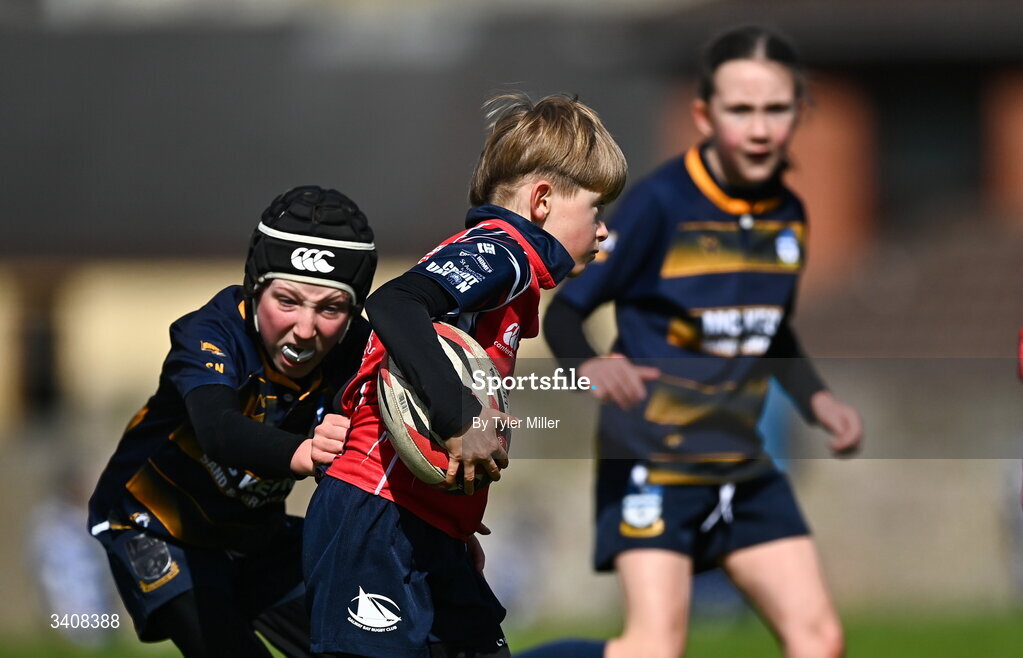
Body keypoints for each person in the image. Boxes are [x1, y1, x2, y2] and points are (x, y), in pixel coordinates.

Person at [535, 26, 863, 658]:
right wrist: (592, 364)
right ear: (704, 115)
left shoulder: (788, 213)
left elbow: (768, 331)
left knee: (820, 639)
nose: (761, 128)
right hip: (654, 459)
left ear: (798, 114)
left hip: (742, 465)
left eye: (776, 109)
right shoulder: (659, 205)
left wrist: (817, 401)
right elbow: (568, 313)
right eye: (742, 110)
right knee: (652, 649)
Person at [302, 92, 627, 657]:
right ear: (543, 200)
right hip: (377, 518)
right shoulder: (503, 251)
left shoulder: (510, 274)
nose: (602, 232)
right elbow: (395, 307)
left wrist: (453, 521)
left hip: (427, 526)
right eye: (597, 211)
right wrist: (458, 416)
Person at [87, 185, 376, 657]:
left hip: (254, 535)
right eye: (287, 301)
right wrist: (305, 453)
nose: (305, 329)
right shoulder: (209, 333)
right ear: (254, 286)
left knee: (370, 646)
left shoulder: (359, 349)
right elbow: (218, 429)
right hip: (155, 525)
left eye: (330, 308)